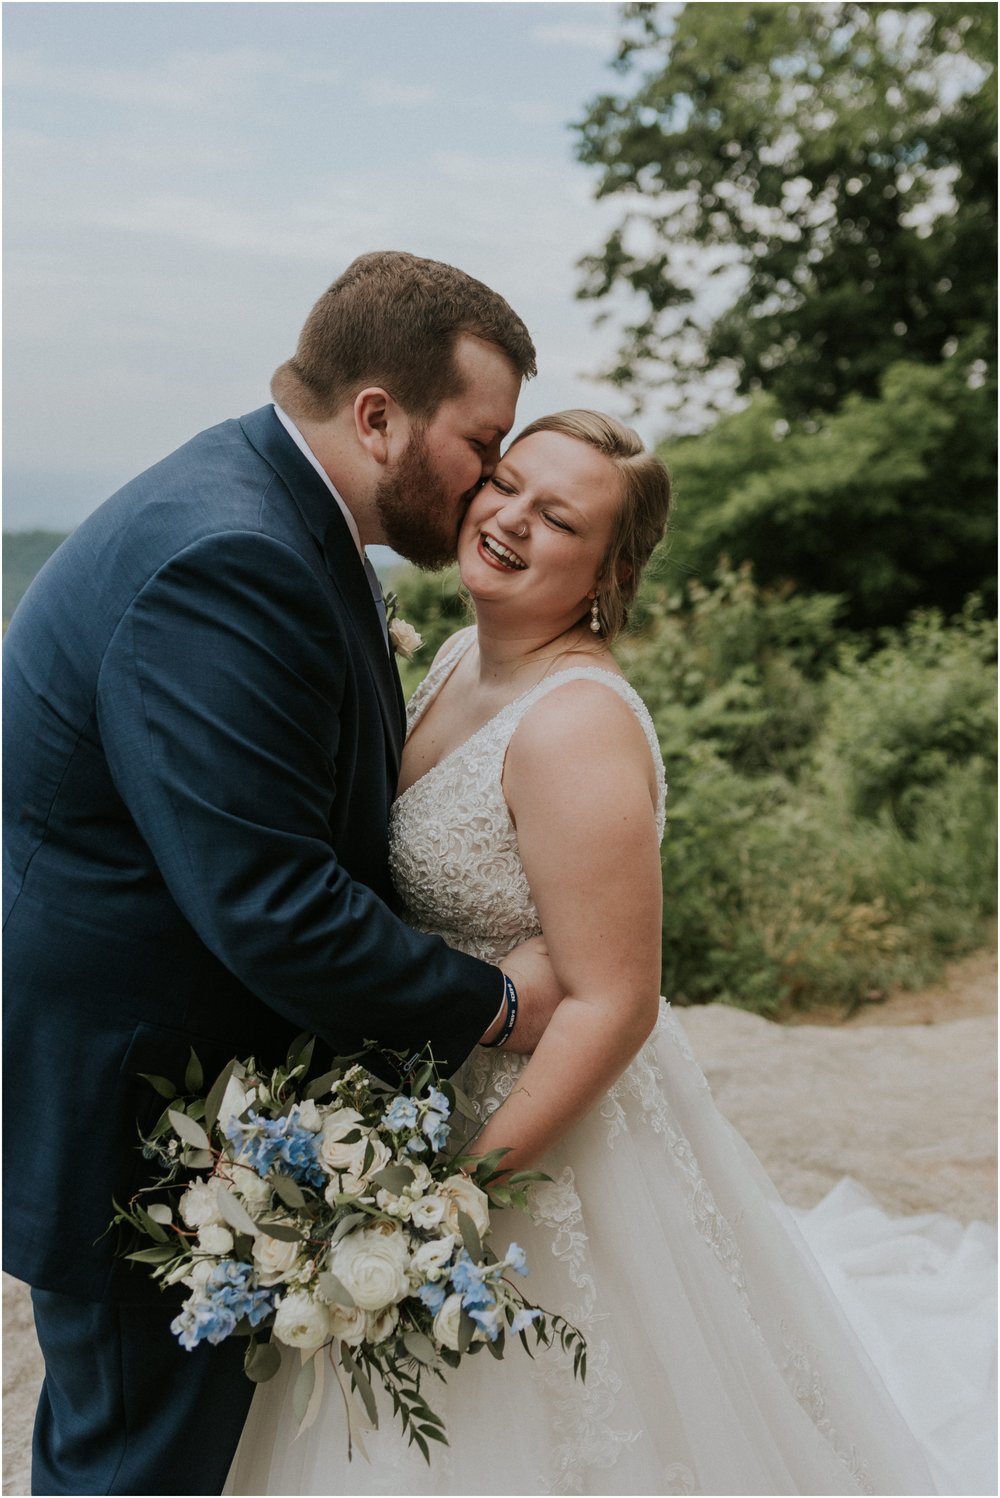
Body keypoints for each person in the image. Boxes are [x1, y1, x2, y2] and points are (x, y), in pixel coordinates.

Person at [225, 411, 995, 1497]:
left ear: (607, 570)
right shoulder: (456, 658)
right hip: (422, 1088)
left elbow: (616, 1002)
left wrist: (453, 1195)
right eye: (504, 485)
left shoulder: (573, 722)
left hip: (534, 1130)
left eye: (558, 518)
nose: (508, 520)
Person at [2, 251, 568, 1497]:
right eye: (481, 441)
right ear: (378, 416)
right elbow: (275, 908)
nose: (492, 480)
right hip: (136, 1117)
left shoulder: (281, 508)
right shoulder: (230, 555)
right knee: (134, 1465)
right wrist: (498, 1001)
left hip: (201, 1099)